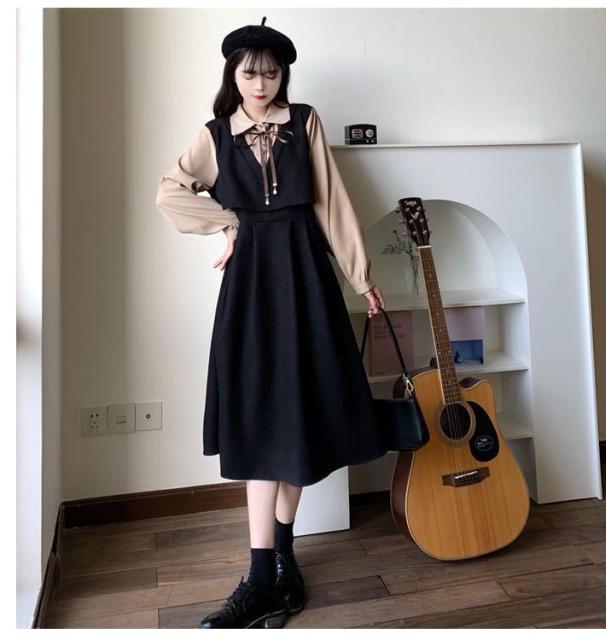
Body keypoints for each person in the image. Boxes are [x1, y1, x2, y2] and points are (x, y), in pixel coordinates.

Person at [155, 16, 387, 629]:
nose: (260, 84)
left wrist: (361, 277)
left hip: (306, 275)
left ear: (283, 77)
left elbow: (330, 203)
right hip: (253, 283)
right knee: (259, 415)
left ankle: (281, 562)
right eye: (249, 74)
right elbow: (169, 194)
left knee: (298, 413)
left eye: (271, 74)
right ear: (233, 77)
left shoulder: (304, 122)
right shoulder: (216, 135)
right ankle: (263, 576)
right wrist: (228, 222)